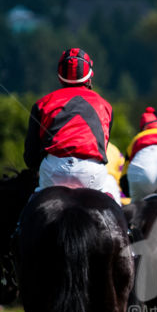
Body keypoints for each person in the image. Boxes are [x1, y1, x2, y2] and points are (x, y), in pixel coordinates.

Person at [23, 47, 121, 201]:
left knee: (31, 208)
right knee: (112, 200)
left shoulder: (42, 104)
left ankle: (21, 225)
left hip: (55, 171)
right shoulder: (106, 106)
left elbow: (30, 157)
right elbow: (102, 150)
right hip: (91, 172)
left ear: (60, 77)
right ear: (89, 77)